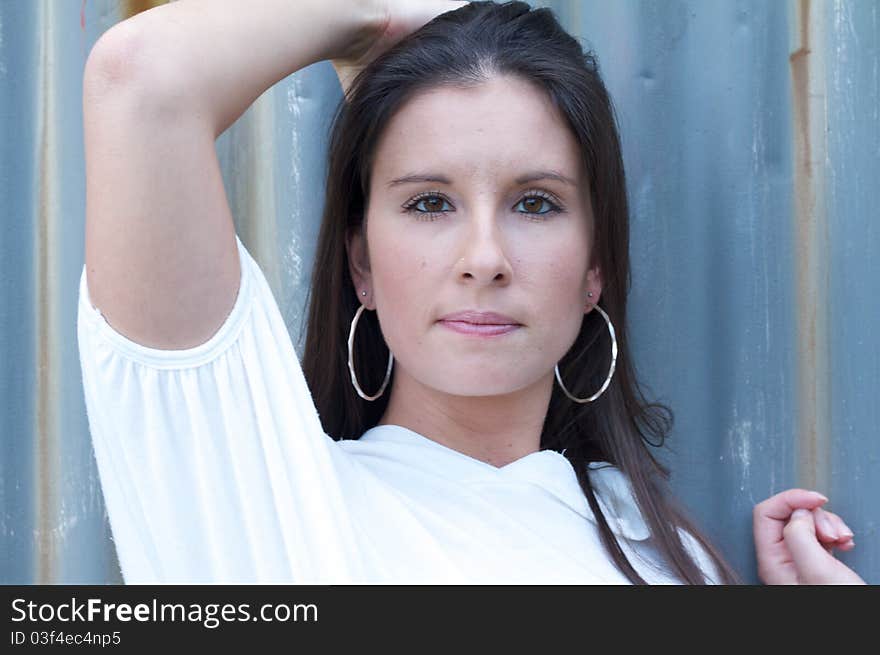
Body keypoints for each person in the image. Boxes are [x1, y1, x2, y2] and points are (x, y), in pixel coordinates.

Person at [77, 0, 865, 584]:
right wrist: (372, 22)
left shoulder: (671, 552)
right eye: (429, 202)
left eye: (535, 202)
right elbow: (140, 79)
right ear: (362, 264)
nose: (484, 258)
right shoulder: (266, 497)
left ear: (597, 267)